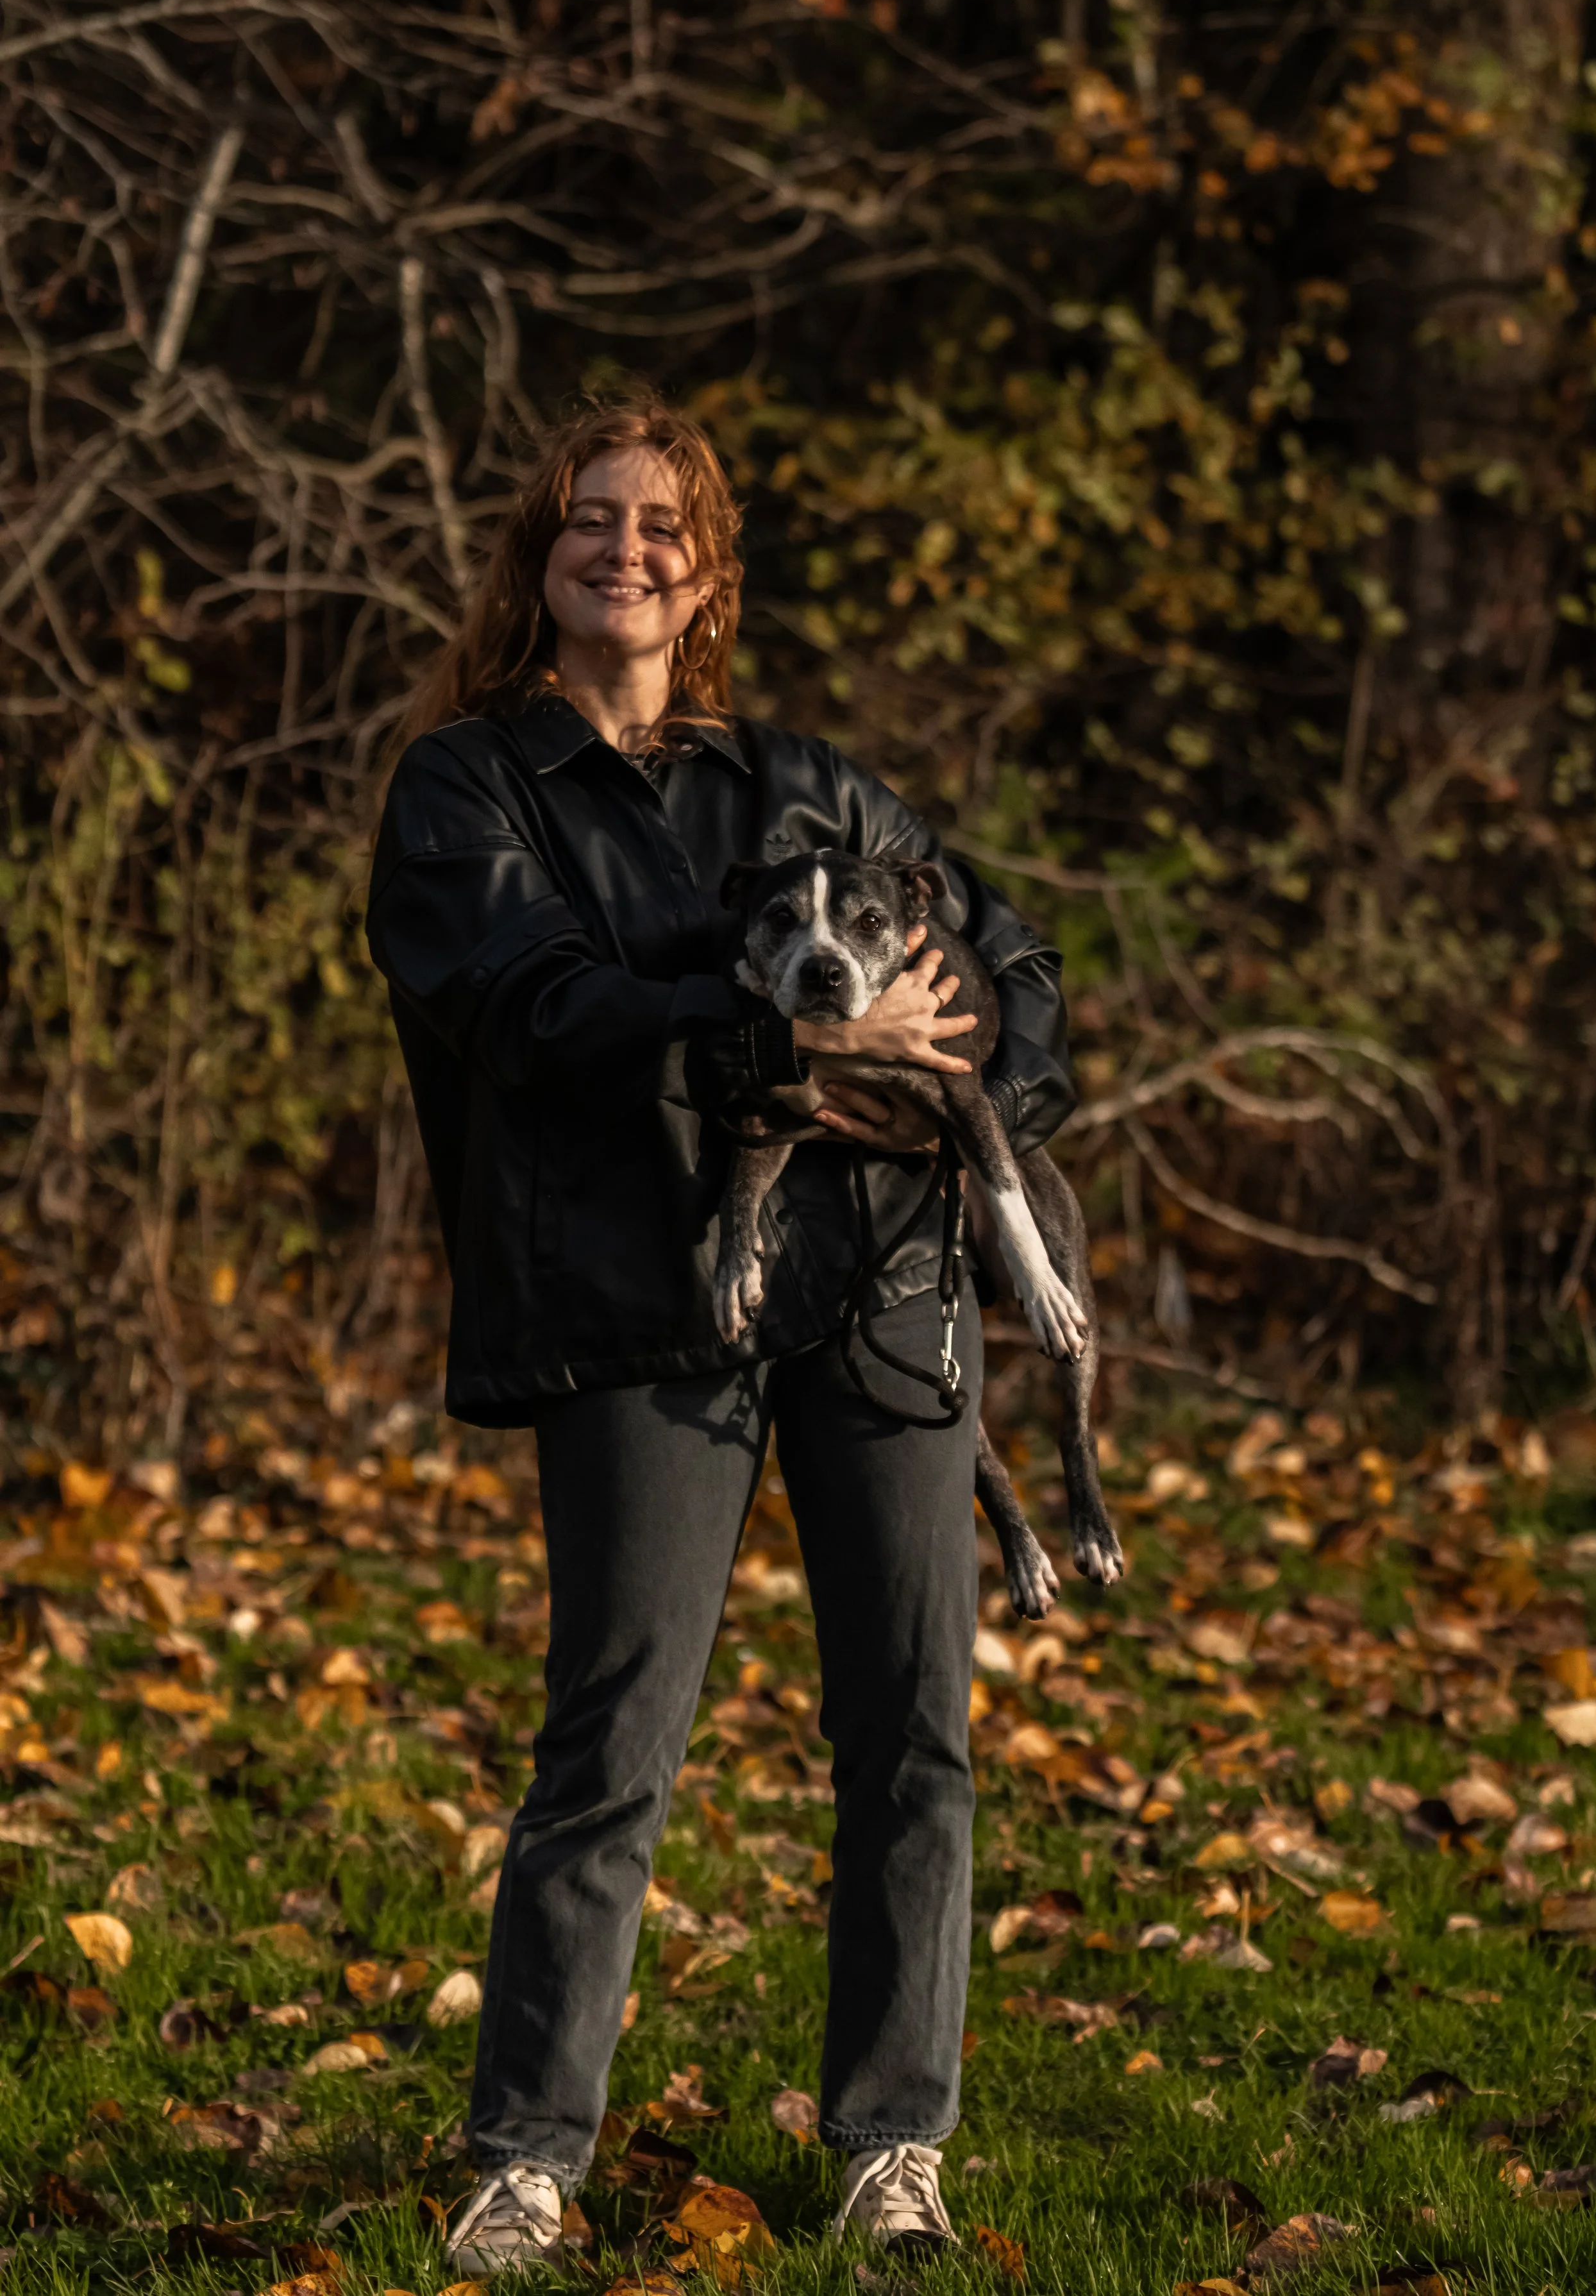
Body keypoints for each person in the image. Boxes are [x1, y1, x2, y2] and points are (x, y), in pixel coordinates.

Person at [366, 395, 1075, 2268]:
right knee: (613, 1737)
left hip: (887, 1291)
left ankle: (892, 2148)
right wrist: (785, 1041)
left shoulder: (806, 786)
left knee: (914, 1731)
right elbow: (528, 1009)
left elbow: (1011, 955)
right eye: (591, 518)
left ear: (709, 576)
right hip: (638, 1306)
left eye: (662, 526)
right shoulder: (469, 788)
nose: (626, 550)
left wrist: (970, 1087)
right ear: (538, 557)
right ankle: (526, 2153)